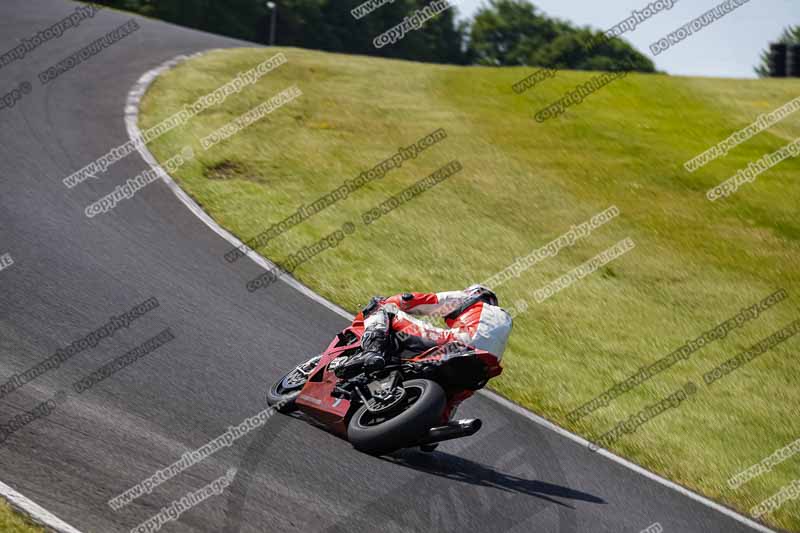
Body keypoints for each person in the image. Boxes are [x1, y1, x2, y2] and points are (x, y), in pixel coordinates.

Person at [335, 284, 512, 380]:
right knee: (458, 391)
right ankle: (439, 422)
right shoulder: (504, 320)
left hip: (458, 342)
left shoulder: (470, 299)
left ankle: (371, 351)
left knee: (383, 308)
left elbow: (412, 300)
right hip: (486, 366)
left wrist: (392, 302)